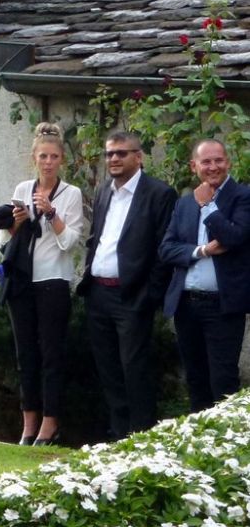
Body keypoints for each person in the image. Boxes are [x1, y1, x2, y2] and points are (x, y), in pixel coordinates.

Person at [77, 132, 177, 440]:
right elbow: (99, 237)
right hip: (99, 294)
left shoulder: (159, 194)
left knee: (134, 369)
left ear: (139, 157)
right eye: (109, 154)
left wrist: (150, 295)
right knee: (108, 369)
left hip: (132, 296)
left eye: (121, 153)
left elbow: (163, 250)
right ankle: (118, 435)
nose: (114, 159)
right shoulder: (106, 190)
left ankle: (141, 435)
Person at [0, 122, 85, 446]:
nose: (48, 162)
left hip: (53, 282)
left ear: (62, 160)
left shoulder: (71, 194)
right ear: (34, 157)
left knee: (51, 354)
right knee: (26, 355)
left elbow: (71, 242)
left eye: (54, 157)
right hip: (22, 282)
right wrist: (16, 224)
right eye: (43, 156)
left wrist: (52, 214)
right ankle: (28, 422)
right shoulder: (22, 189)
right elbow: (5, 241)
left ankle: (50, 423)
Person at [159, 139, 250, 413]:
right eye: (206, 161)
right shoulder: (185, 203)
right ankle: (199, 445)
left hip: (222, 305)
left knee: (223, 380)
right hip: (186, 304)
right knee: (195, 379)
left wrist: (209, 207)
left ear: (228, 162)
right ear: (194, 165)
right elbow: (166, 249)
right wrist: (201, 251)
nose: (213, 167)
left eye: (218, 160)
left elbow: (235, 236)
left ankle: (229, 446)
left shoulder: (243, 197)